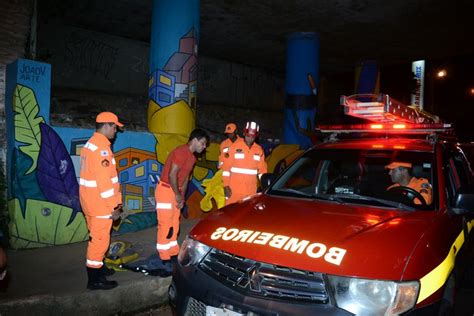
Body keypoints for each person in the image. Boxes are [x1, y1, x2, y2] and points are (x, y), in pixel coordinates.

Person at [79, 112, 123, 290]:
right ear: (106, 126)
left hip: (91, 202)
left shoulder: (91, 145)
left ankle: (99, 268)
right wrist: (115, 206)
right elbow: (105, 184)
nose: (115, 131)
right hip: (100, 205)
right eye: (114, 127)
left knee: (98, 238)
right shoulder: (101, 149)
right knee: (99, 241)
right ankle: (95, 280)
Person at [155, 129, 209, 261]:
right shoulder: (181, 152)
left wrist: (182, 198)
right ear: (195, 140)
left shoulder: (191, 157)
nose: (204, 147)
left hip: (175, 191)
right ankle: (164, 258)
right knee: (165, 225)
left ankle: (173, 252)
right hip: (166, 190)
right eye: (203, 143)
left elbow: (185, 179)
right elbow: (172, 174)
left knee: (174, 223)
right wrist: (178, 195)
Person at [222, 121, 267, 205]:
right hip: (233, 191)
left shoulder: (259, 150)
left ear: (256, 136)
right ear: (244, 133)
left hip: (251, 191)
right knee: (230, 214)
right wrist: (226, 186)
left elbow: (262, 171)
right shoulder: (234, 147)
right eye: (248, 135)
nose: (250, 138)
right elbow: (226, 168)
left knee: (247, 216)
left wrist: (265, 186)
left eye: (253, 136)